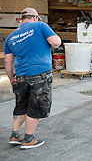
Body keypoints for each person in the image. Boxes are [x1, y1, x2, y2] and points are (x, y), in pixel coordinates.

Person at [4, 8, 61, 149]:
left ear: (21, 20)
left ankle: (15, 135)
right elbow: (56, 42)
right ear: (35, 17)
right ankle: (28, 139)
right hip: (39, 76)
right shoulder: (40, 26)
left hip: (21, 77)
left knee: (21, 106)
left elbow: (7, 62)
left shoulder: (11, 37)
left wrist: (11, 79)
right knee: (35, 108)